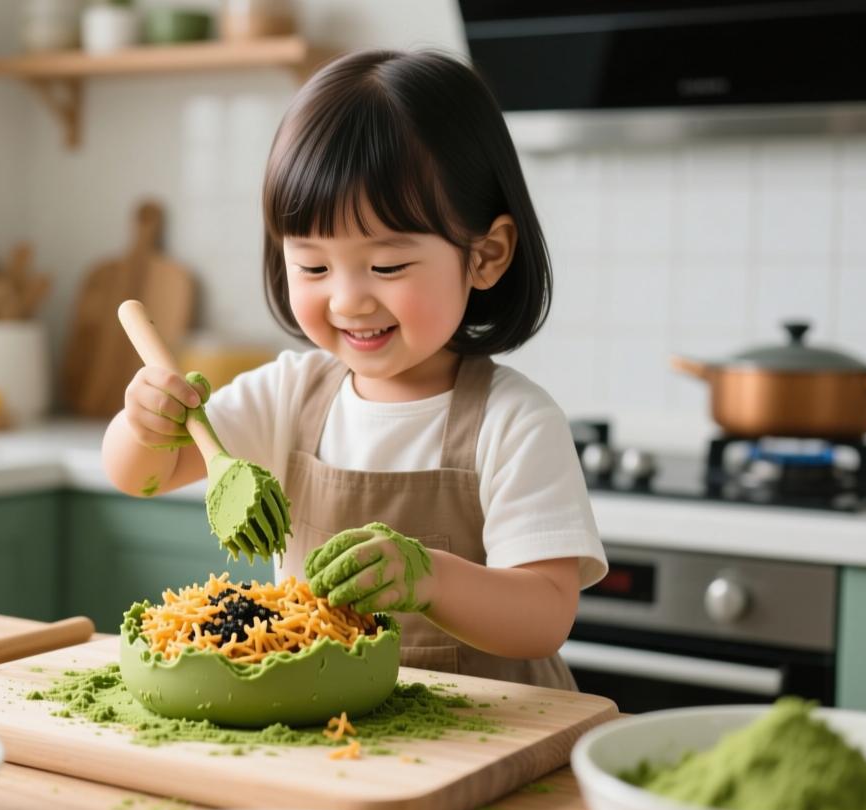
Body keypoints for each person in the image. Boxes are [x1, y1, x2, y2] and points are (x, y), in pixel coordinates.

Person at [102, 48, 607, 688]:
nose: (347, 299)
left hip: (492, 739)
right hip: (334, 735)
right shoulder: (285, 396)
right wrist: (145, 426)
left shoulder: (514, 422)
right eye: (313, 266)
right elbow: (140, 475)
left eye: (387, 266)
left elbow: (545, 615)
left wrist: (429, 578)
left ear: (486, 255)